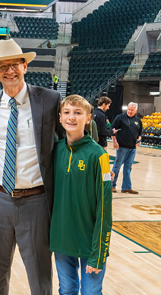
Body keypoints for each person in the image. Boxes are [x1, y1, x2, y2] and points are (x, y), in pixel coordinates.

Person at [0, 38, 62, 295]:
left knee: (39, 274)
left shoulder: (49, 99)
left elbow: (70, 139)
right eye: (3, 66)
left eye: (15, 64)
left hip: (36, 200)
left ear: (25, 66)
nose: (9, 71)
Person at [51, 95, 112, 294]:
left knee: (91, 292)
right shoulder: (54, 151)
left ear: (88, 118)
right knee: (66, 290)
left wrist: (99, 253)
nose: (71, 117)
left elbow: (105, 208)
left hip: (90, 243)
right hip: (62, 240)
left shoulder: (99, 155)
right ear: (59, 117)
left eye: (78, 113)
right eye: (67, 113)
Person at [111, 102, 143, 194]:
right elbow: (112, 130)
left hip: (132, 148)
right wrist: (114, 141)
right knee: (116, 167)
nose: (129, 111)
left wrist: (139, 140)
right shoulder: (120, 118)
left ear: (136, 110)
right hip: (122, 147)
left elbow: (140, 134)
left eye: (132, 110)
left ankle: (126, 187)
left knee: (128, 168)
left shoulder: (138, 120)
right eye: (128, 109)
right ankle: (111, 185)